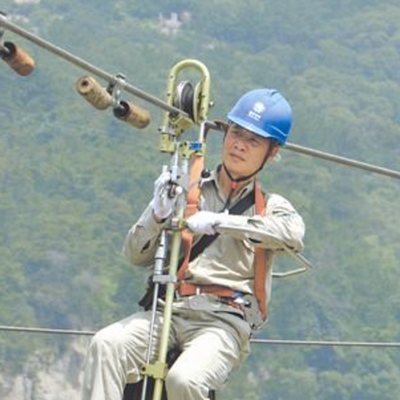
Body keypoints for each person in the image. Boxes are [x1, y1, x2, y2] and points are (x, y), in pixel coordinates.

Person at [82, 88, 305, 400]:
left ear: (272, 152)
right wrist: (157, 213)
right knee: (107, 345)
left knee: (185, 380)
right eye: (236, 132)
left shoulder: (271, 206)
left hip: (223, 321)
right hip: (172, 309)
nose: (239, 144)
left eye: (253, 140)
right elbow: (134, 254)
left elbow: (292, 235)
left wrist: (221, 222)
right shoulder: (189, 190)